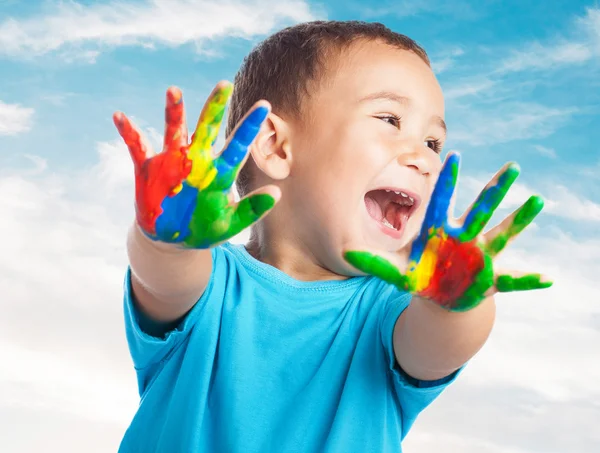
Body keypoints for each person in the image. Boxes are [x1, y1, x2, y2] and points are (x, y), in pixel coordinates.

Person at [113, 20, 551, 453]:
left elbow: (436, 347)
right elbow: (164, 277)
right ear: (278, 147)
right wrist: (167, 239)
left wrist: (456, 306)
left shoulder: (390, 309)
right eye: (390, 119)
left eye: (434, 143)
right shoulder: (208, 282)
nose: (424, 158)